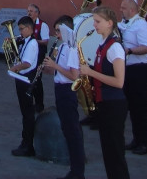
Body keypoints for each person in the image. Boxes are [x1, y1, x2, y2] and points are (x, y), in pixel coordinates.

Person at [79, 6, 129, 179]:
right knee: (108, 153)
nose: (94, 25)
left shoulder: (115, 47)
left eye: (98, 21)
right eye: (94, 21)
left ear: (109, 23)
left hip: (114, 104)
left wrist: (90, 73)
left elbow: (119, 81)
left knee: (115, 154)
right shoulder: (102, 44)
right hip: (104, 103)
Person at [42, 15, 86, 179]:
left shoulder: (73, 49)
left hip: (68, 91)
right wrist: (48, 67)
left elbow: (74, 76)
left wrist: (55, 65)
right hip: (59, 89)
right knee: (66, 129)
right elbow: (55, 71)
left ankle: (77, 171)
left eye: (59, 31)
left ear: (67, 31)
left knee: (72, 131)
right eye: (56, 31)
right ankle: (74, 168)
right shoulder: (61, 48)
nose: (57, 35)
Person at [118, 0, 147, 155]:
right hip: (127, 68)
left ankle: (146, 142)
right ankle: (136, 139)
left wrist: (129, 51)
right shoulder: (125, 24)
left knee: (140, 107)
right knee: (132, 107)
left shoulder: (141, 25)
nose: (121, 10)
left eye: (123, 8)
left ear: (132, 10)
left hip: (139, 68)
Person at [9, 15, 38, 157]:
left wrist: (14, 68)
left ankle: (28, 145)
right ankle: (25, 142)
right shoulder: (26, 41)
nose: (20, 32)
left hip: (26, 79)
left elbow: (27, 63)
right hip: (21, 78)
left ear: (29, 28)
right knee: (25, 113)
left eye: (21, 29)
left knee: (27, 113)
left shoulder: (32, 43)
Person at [27, 3, 49, 112]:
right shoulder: (28, 24)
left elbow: (45, 41)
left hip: (39, 54)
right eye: (28, 11)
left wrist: (34, 41)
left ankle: (40, 104)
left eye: (31, 11)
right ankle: (31, 100)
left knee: (37, 79)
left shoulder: (42, 25)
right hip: (30, 54)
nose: (29, 13)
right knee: (30, 77)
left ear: (36, 12)